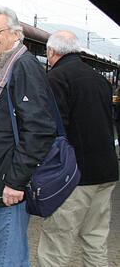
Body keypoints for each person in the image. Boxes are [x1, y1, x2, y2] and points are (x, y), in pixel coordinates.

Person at [0, 7, 55, 267]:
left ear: (16, 34)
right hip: (3, 178)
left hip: (10, 182)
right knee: (12, 251)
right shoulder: (3, 66)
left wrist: (15, 182)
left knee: (4, 256)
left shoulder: (22, 67)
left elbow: (39, 130)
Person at [36, 31, 118, 266]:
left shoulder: (56, 79)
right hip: (105, 172)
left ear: (52, 52)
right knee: (95, 240)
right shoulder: (99, 79)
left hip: (74, 176)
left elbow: (51, 129)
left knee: (56, 245)